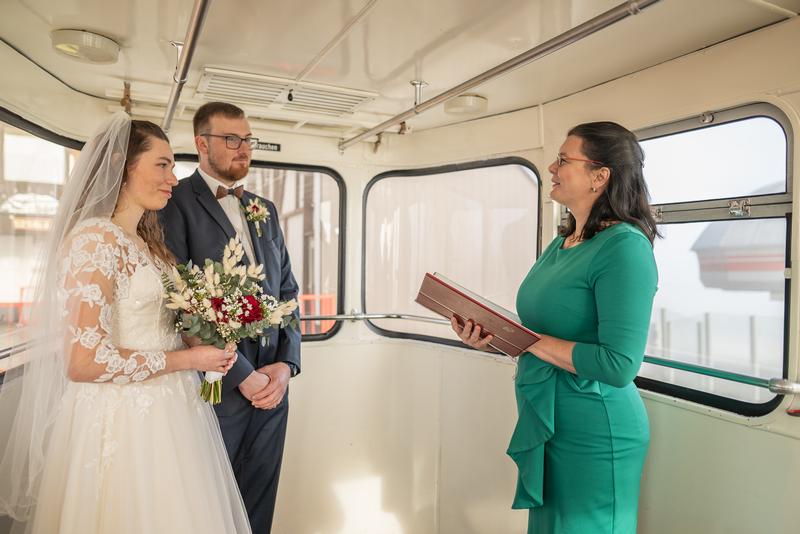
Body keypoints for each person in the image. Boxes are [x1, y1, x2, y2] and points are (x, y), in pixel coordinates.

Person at [0, 113, 252, 534]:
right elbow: (83, 361)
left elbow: (164, 318)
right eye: (163, 164)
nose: (174, 178)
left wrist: (207, 337)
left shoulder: (148, 244)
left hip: (174, 413)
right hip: (122, 422)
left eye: (173, 166)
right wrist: (188, 359)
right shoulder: (94, 241)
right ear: (122, 163)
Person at [453, 121, 659, 533]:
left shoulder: (625, 248)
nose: (551, 166)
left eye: (564, 160)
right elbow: (541, 336)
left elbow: (618, 365)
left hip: (596, 430)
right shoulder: (563, 242)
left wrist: (528, 342)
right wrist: (493, 340)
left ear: (600, 176)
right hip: (552, 420)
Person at [159, 102, 301, 533]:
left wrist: (286, 366)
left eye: (247, 140)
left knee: (259, 502)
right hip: (215, 387)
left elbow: (288, 292)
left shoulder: (265, 209)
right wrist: (243, 375)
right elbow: (178, 304)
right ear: (202, 144)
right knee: (209, 505)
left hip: (273, 388)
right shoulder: (174, 203)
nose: (244, 149)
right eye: (232, 139)